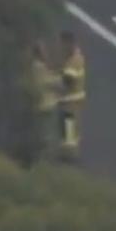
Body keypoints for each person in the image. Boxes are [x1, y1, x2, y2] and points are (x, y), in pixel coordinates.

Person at [56, 31, 86, 159]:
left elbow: (67, 81)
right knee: (69, 134)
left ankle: (69, 159)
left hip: (70, 105)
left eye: (62, 44)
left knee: (69, 137)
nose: (60, 47)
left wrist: (51, 82)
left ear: (69, 43)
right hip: (71, 103)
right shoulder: (74, 58)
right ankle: (69, 155)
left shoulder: (74, 60)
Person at [32, 40, 63, 154]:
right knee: (46, 134)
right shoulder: (38, 67)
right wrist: (59, 79)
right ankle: (45, 156)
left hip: (44, 104)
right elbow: (48, 81)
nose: (46, 53)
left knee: (46, 132)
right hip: (45, 104)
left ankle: (45, 152)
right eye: (43, 51)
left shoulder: (39, 66)